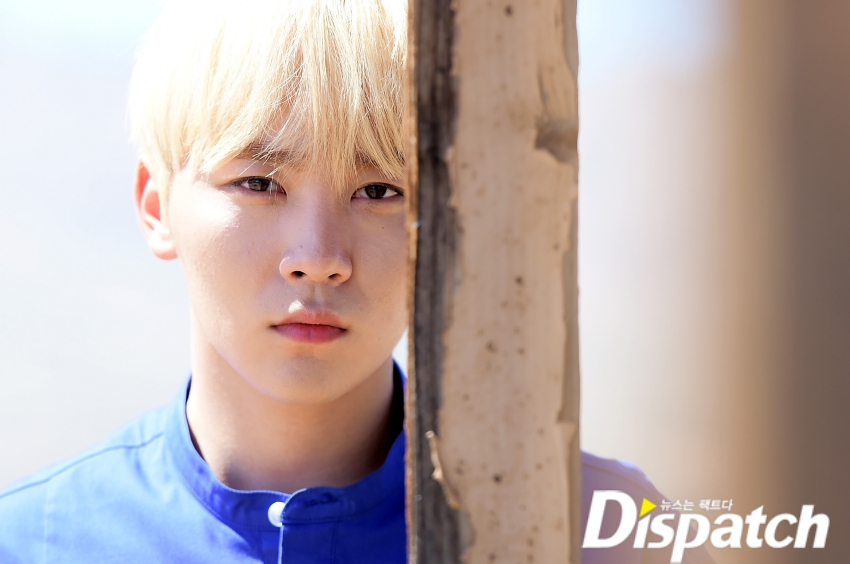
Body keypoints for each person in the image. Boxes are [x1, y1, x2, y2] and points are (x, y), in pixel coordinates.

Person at [0, 1, 713, 563]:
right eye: (259, 182)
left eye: (379, 190)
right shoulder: (33, 541)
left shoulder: (601, 534)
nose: (319, 257)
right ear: (157, 208)